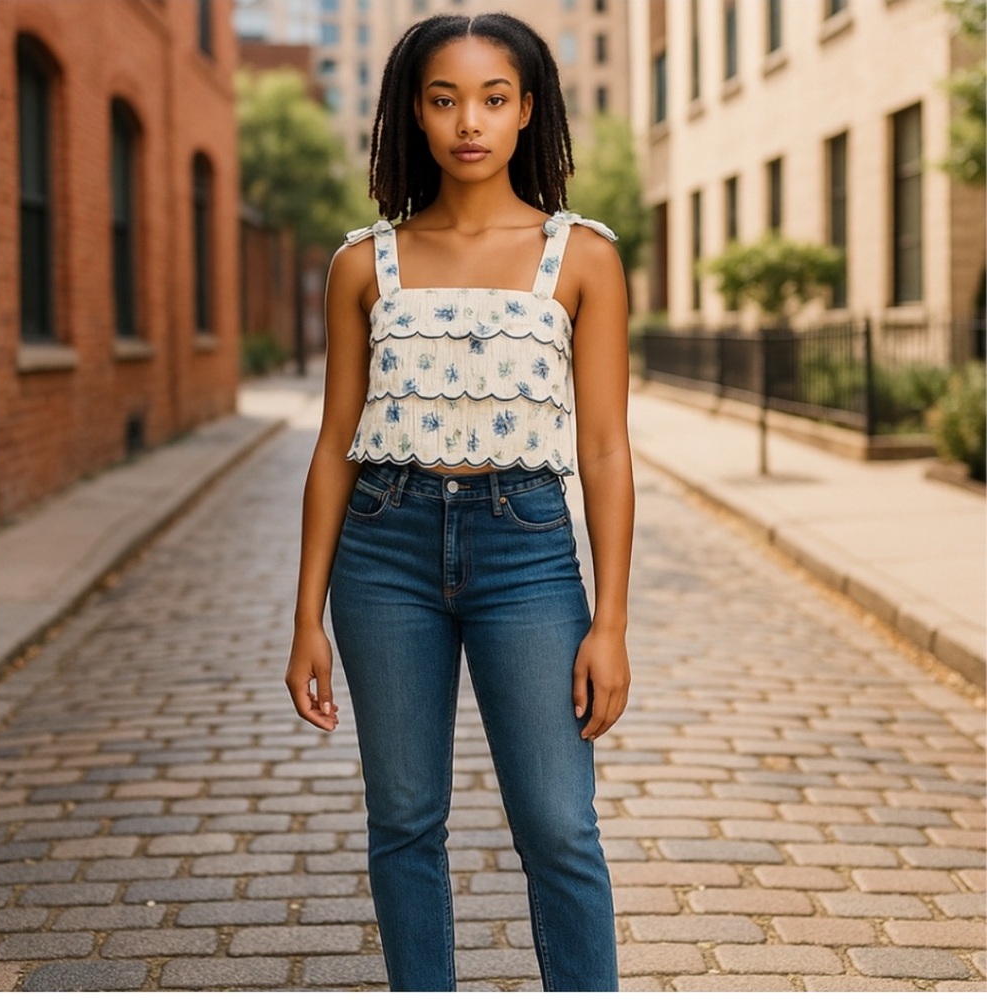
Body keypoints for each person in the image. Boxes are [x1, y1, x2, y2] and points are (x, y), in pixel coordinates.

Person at [286, 11, 633, 991]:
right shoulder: (364, 262)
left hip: (525, 550)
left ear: (527, 110)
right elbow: (331, 445)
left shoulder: (583, 257)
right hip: (380, 551)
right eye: (442, 99)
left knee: (560, 824)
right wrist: (304, 615)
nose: (466, 121)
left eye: (491, 98)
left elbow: (605, 450)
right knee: (402, 821)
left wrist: (609, 620)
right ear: (414, 112)